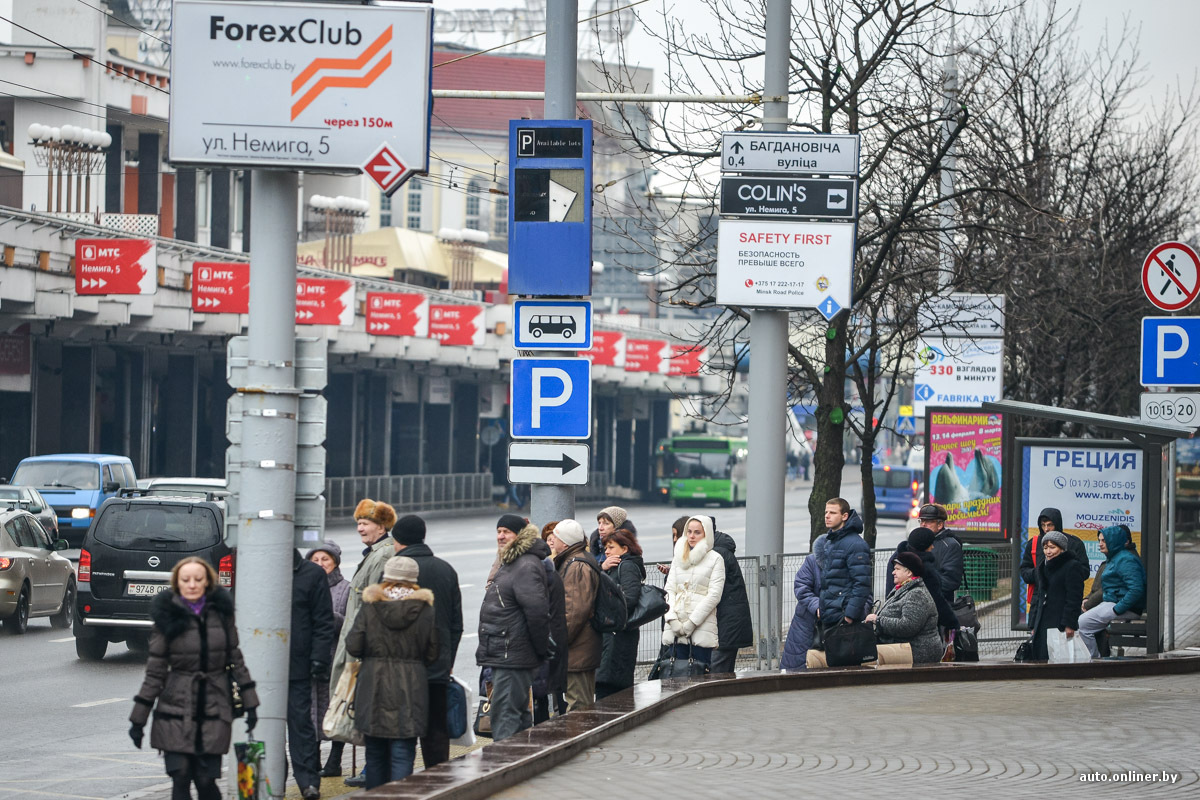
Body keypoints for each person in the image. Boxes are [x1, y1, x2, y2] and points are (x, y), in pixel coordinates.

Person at [129, 557, 259, 800]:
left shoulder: (222, 614)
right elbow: (155, 672)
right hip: (175, 705)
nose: (191, 585)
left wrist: (251, 704)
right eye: (185, 580)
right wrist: (138, 721)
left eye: (198, 579)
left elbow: (236, 660)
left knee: (205, 780)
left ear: (208, 582)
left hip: (215, 704)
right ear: (177, 583)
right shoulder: (167, 617)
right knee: (180, 777)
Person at [346, 556, 438, 789]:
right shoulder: (425, 611)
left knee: (375, 755)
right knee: (402, 753)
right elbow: (432, 652)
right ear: (413, 581)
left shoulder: (371, 607)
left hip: (373, 686)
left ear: (386, 578)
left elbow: (353, 645)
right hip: (411, 687)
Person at [331, 498, 397, 789]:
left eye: (365, 523)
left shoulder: (382, 555)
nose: (360, 528)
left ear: (382, 526)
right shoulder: (374, 553)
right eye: (358, 522)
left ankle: (373, 768)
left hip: (366, 645)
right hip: (359, 640)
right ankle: (372, 767)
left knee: (369, 708)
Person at [391, 514, 463, 770]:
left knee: (403, 733)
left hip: (402, 669)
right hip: (437, 668)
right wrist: (448, 660)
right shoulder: (446, 570)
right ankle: (437, 783)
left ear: (397, 540)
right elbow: (456, 624)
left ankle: (405, 785)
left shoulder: (394, 571)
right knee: (435, 732)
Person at [477, 514, 551, 740]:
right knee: (516, 716)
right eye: (498, 531)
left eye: (506, 531)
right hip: (508, 654)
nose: (500, 536)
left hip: (513, 655)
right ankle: (520, 764)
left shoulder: (524, 565)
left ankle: (506, 767)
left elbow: (537, 612)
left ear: (519, 535)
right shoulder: (513, 562)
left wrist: (539, 650)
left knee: (506, 717)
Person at [287, 549, 335, 799]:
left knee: (301, 725)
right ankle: (263, 779)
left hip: (298, 665)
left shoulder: (311, 574)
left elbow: (323, 620)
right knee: (260, 726)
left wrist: (318, 657)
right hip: (262, 668)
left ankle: (307, 782)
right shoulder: (256, 567)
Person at [306, 541, 350, 778]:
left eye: (326, 560)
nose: (321, 564)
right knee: (311, 713)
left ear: (335, 563)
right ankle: (311, 762)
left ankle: (334, 762)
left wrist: (324, 615)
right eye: (316, 560)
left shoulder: (346, 588)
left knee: (335, 713)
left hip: (335, 660)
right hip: (309, 660)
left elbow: (349, 623)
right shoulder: (304, 586)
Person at [547, 518, 601, 711]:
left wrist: (559, 642)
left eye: (555, 537)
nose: (551, 541)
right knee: (581, 703)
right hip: (581, 647)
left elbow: (574, 612)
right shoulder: (577, 559)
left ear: (565, 542)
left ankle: (580, 740)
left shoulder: (576, 565)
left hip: (578, 649)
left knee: (579, 706)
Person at [662, 516, 726, 666]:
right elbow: (669, 590)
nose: (691, 536)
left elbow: (714, 595)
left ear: (707, 534)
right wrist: (672, 619)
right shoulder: (678, 557)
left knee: (699, 674)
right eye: (689, 531)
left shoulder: (715, 559)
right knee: (674, 675)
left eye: (697, 532)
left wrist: (692, 622)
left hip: (701, 627)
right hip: (675, 628)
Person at [861, 551, 944, 665]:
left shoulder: (917, 594)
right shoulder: (903, 589)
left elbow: (908, 626)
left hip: (916, 651)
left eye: (897, 569)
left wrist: (877, 620)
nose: (893, 572)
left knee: (864, 659)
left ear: (909, 572)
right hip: (902, 647)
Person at [1077, 525, 1146, 658]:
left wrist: (1117, 609)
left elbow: (1136, 589)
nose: (1100, 544)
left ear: (1113, 541)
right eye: (1099, 541)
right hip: (1114, 603)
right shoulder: (1116, 557)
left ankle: (1093, 659)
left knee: (1082, 623)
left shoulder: (1125, 559)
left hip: (1122, 607)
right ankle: (1094, 658)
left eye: (1104, 541)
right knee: (1083, 623)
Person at [596, 528, 645, 699]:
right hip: (613, 633)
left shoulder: (628, 566)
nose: (607, 551)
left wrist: (606, 609)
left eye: (611, 547)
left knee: (613, 688)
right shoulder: (613, 566)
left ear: (624, 549)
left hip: (619, 634)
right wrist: (602, 568)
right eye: (605, 548)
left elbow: (629, 598)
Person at [527, 522, 568, 724]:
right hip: (542, 645)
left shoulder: (544, 573)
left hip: (539, 647)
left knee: (543, 696)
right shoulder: (546, 570)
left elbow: (541, 615)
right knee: (542, 695)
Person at [885, 527, 958, 634]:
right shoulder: (926, 570)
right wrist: (953, 623)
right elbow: (937, 600)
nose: (933, 547)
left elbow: (890, 590)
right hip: (923, 629)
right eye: (930, 544)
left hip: (895, 619)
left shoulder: (897, 560)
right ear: (924, 546)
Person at [1019, 507, 1089, 613]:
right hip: (1039, 601)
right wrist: (1040, 573)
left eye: (1050, 525)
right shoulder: (1033, 544)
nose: (1046, 529)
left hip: (1065, 600)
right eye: (1043, 525)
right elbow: (1024, 571)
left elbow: (1084, 571)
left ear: (1057, 524)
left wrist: (1064, 572)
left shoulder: (1074, 543)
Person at [1028, 530, 1085, 661]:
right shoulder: (1042, 567)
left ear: (1062, 548)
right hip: (1042, 620)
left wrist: (1069, 623)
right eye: (1045, 548)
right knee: (1041, 656)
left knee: (1058, 657)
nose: (1048, 552)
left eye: (1053, 547)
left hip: (1059, 620)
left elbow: (1074, 598)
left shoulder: (1072, 566)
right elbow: (1038, 596)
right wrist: (1033, 624)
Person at [815, 498, 872, 629]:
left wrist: (849, 616)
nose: (827, 516)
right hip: (831, 614)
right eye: (826, 512)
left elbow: (862, 584)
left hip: (843, 616)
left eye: (833, 513)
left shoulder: (856, 544)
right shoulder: (831, 542)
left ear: (844, 516)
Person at [710, 519, 753, 675]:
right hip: (728, 624)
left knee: (717, 673)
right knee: (724, 672)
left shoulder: (716, 554)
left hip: (724, 625)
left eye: (696, 531)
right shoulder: (720, 551)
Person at [780, 550, 821, 670]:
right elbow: (801, 587)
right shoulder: (813, 560)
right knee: (797, 667)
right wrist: (817, 606)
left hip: (840, 627)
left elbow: (863, 594)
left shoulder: (853, 560)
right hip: (806, 625)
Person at [915, 504, 963, 601]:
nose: (923, 524)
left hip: (940, 604)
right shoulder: (917, 542)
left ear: (940, 525)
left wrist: (922, 586)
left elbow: (951, 581)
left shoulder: (951, 545)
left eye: (928, 521)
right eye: (922, 521)